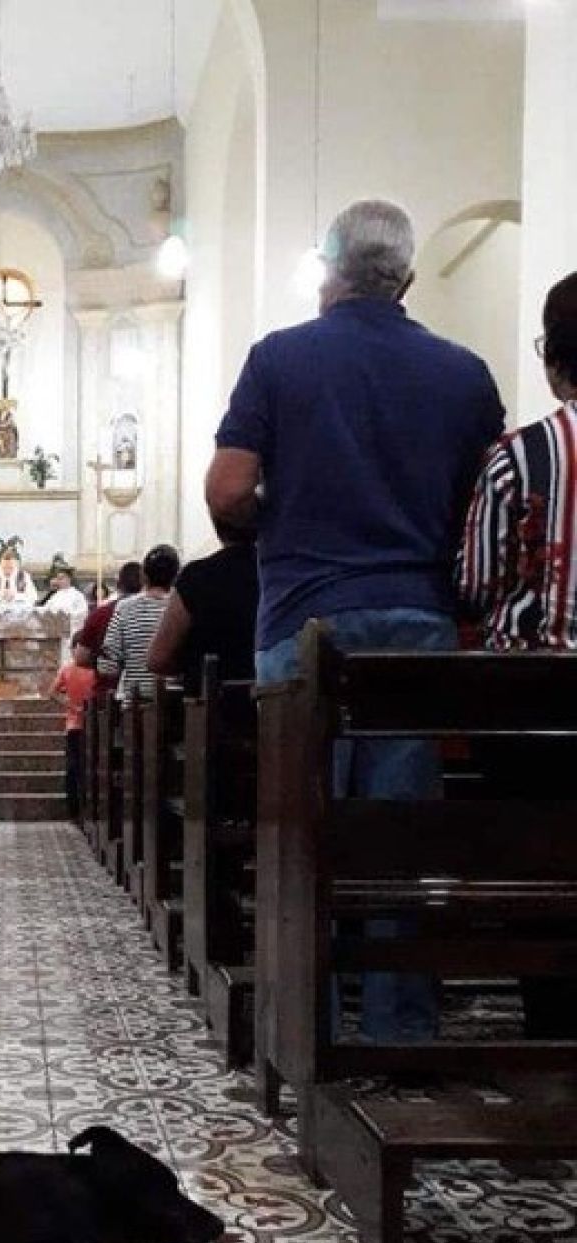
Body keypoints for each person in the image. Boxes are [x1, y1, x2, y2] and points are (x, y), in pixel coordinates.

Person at [207, 197, 505, 1043]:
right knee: (398, 837)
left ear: (329, 270)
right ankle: (397, 1027)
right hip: (418, 622)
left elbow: (228, 489)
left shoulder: (280, 357)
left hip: (305, 618)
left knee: (303, 831)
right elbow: (485, 500)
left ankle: (304, 1025)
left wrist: (278, 519)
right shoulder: (465, 374)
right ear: (406, 279)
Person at [458, 270, 577, 1042]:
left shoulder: (521, 456)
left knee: (540, 870)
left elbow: (475, 583)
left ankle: (552, 1028)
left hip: (536, 702)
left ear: (554, 360)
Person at [147, 526, 260, 692]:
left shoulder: (196, 576)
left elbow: (158, 659)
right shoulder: (279, 573)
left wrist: (190, 665)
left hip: (210, 698)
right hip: (272, 697)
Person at [97, 544, 180, 702]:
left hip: (136, 703)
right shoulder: (183, 607)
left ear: (144, 576)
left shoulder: (125, 607)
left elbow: (107, 667)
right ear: (176, 576)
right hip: (175, 704)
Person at [73, 561, 143, 694]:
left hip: (108, 690)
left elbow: (81, 658)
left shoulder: (101, 614)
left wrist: (101, 661)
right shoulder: (159, 612)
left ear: (118, 585)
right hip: (146, 691)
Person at [50, 655, 96, 819]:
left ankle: (74, 810)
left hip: (74, 725)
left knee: (73, 767)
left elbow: (52, 693)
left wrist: (72, 706)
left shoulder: (67, 669)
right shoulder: (95, 669)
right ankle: (91, 808)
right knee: (91, 766)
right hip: (94, 724)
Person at [0, 540, 38, 608]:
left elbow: (33, 597)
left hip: (19, 611)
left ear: (15, 565)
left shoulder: (24, 576)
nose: (7, 570)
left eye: (10, 567)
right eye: (5, 567)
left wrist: (15, 596)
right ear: (0, 564)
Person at [43, 555, 89, 641]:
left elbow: (82, 614)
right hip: (55, 633)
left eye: (62, 578)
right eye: (58, 579)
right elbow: (46, 610)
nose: (59, 581)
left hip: (71, 634)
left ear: (69, 579)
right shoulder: (55, 596)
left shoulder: (77, 595)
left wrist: (65, 617)